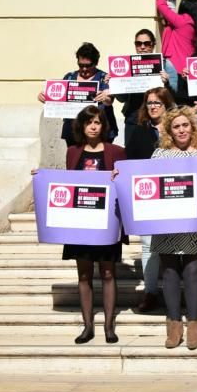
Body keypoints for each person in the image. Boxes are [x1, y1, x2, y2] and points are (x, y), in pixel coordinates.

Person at [151, 106, 197, 349]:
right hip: (167, 223)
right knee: (168, 273)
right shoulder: (159, 155)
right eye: (176, 126)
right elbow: (147, 182)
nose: (181, 130)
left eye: (185, 125)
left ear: (193, 127)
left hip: (194, 223)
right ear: (169, 130)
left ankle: (192, 323)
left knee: (192, 271)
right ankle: (173, 324)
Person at [61, 106, 127, 344]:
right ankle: (88, 326)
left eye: (97, 122)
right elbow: (65, 182)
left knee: (108, 272)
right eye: (88, 122)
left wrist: (118, 178)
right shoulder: (72, 152)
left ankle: (109, 326)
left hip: (107, 222)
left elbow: (125, 184)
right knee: (84, 275)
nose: (93, 126)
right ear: (81, 126)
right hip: (80, 223)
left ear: (103, 126)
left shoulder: (117, 152)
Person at [126, 86, 176, 313]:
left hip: (175, 194)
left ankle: (174, 291)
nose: (153, 107)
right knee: (148, 246)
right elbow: (130, 161)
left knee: (175, 246)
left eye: (158, 103)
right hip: (147, 195)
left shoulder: (179, 128)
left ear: (167, 105)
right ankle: (151, 291)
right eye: (150, 103)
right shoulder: (139, 131)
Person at [39, 42, 119, 146]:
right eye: (81, 65)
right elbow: (60, 101)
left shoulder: (104, 78)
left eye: (88, 65)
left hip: (99, 133)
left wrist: (105, 98)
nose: (84, 69)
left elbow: (109, 100)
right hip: (74, 132)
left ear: (96, 62)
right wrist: (47, 99)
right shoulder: (69, 77)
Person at [114, 29, 171, 144]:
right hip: (133, 120)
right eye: (138, 44)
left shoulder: (165, 64)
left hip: (157, 120)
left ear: (153, 44)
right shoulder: (128, 66)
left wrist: (167, 83)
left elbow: (173, 96)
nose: (142, 47)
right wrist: (116, 83)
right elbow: (121, 99)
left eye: (147, 43)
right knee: (132, 157)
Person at [155, 0, 197, 90]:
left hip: (174, 65)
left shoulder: (183, 20)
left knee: (172, 96)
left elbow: (162, 7)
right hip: (188, 67)